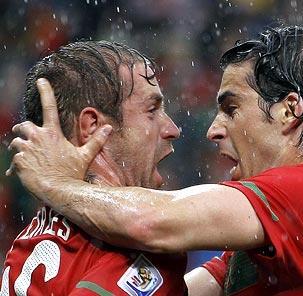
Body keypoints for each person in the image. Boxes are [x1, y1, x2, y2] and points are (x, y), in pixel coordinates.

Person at [8, 25, 303, 295]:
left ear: (289, 110)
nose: (212, 130)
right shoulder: (269, 246)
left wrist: (55, 182)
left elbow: (149, 222)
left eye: (231, 108)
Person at [1, 41, 188, 295]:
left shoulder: (30, 237)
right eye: (152, 110)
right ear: (92, 126)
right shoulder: (137, 246)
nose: (172, 130)